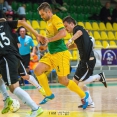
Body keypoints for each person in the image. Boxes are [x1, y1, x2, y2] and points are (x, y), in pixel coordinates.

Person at [34, 2, 89, 110]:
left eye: (42, 14)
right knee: (37, 70)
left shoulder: (56, 19)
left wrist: (48, 40)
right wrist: (45, 45)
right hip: (51, 54)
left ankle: (83, 95)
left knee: (63, 81)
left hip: (61, 54)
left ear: (48, 11)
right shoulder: (48, 22)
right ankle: (49, 94)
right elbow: (52, 38)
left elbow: (63, 33)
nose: (41, 17)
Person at [0, 18, 45, 117]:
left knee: (14, 88)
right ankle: (6, 98)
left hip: (7, 58)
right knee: (23, 76)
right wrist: (36, 35)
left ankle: (35, 108)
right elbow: (22, 22)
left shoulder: (7, 26)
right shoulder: (6, 25)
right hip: (16, 56)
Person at [63, 16, 107, 108]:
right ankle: (90, 102)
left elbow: (79, 33)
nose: (65, 29)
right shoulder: (80, 33)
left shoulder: (77, 28)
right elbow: (76, 45)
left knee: (80, 83)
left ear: (71, 24)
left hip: (87, 61)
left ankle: (99, 77)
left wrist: (69, 41)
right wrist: (67, 48)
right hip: (83, 61)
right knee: (75, 83)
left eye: (66, 26)